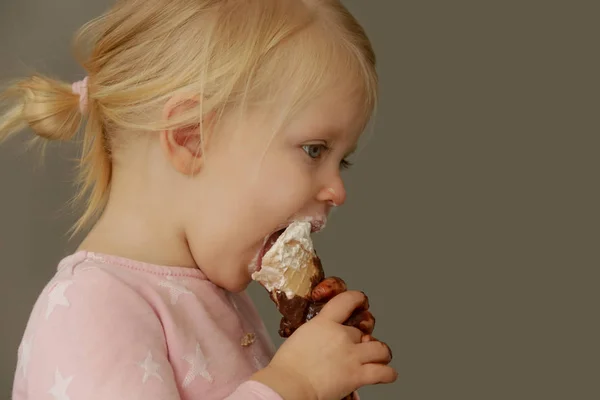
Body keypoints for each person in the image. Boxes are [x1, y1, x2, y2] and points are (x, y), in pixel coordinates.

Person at [1, 0, 397, 399]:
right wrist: (295, 384)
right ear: (191, 136)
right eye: (314, 149)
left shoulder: (222, 302)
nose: (338, 191)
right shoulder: (90, 310)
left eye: (340, 161)